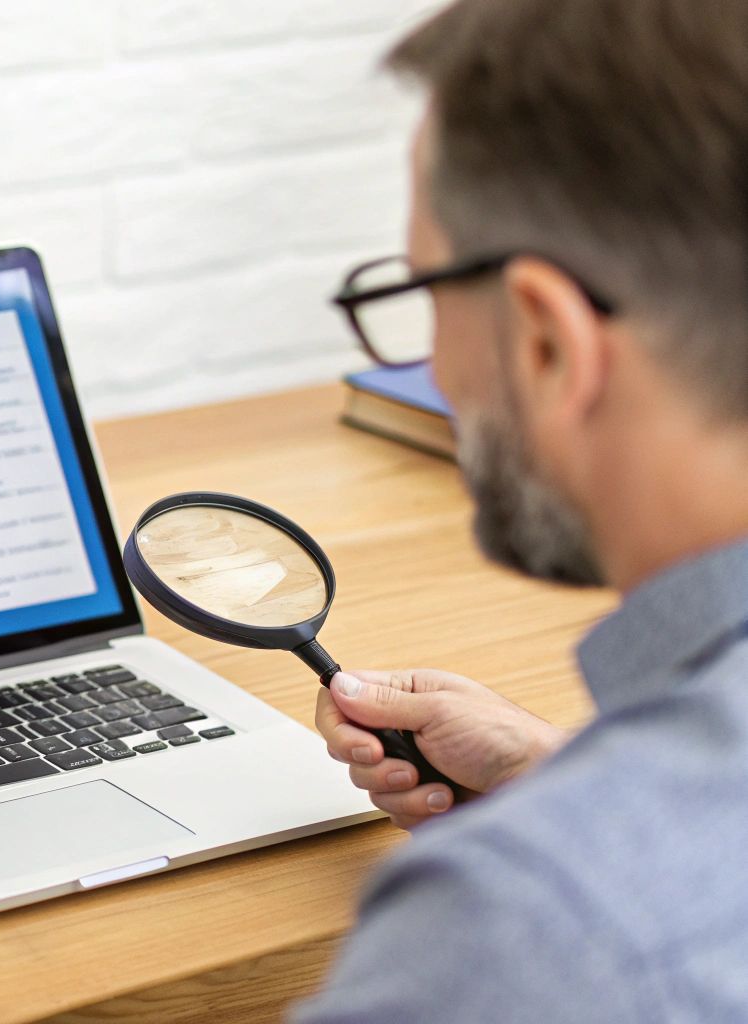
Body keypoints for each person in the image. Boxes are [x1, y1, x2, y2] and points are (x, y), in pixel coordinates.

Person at [295, 1, 748, 1019]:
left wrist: (576, 838)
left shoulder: (523, 930)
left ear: (545, 340)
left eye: (422, 298)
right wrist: (570, 778)